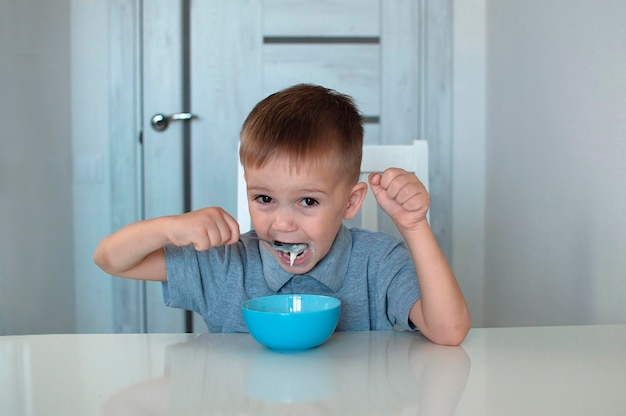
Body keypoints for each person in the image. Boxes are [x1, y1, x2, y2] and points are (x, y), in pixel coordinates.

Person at [94, 84, 471, 345]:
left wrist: (414, 225)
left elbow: (449, 331)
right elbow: (111, 260)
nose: (282, 223)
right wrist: (167, 227)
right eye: (264, 198)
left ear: (352, 202)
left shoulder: (377, 262)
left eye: (308, 202)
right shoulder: (225, 264)